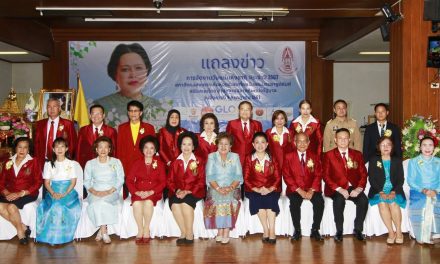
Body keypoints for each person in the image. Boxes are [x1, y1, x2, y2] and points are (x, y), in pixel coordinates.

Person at [94, 43, 162, 127]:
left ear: (147, 71)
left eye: (138, 68)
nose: (133, 75)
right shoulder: (100, 106)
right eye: (125, 69)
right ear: (115, 73)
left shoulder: (159, 106)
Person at [322, 128, 368, 242]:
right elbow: (326, 176)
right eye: (340, 138)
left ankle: (358, 230)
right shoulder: (328, 155)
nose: (343, 141)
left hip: (353, 186)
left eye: (345, 138)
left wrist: (359, 188)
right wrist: (339, 189)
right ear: (335, 140)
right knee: (339, 200)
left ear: (349, 140)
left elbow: (363, 174)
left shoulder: (357, 154)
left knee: (363, 200)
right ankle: (339, 231)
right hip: (336, 187)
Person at [36, 137, 82, 245]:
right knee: (52, 206)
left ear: (66, 149)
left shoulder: (71, 163)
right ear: (53, 149)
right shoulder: (48, 164)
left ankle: (62, 237)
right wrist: (53, 193)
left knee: (59, 206)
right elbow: (47, 183)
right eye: (57, 147)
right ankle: (49, 237)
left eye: (62, 146)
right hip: (53, 191)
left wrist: (65, 193)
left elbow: (73, 182)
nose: (59, 149)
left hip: (68, 192)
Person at [0, 137, 42, 245]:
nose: (22, 150)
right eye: (19, 147)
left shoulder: (34, 162)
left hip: (27, 193)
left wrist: (21, 193)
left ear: (29, 149)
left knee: (11, 207)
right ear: (15, 148)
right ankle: (22, 227)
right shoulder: (8, 162)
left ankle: (20, 233)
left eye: (25, 148)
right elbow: (1, 182)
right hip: (10, 193)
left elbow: (38, 182)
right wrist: (7, 193)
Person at [283, 133, 324, 242]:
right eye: (299, 141)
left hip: (312, 188)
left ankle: (315, 229)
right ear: (294, 143)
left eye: (304, 141)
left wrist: (311, 190)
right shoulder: (288, 156)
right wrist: (299, 190)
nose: (302, 144)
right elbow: (287, 176)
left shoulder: (314, 156)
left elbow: (318, 174)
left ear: (309, 143)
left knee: (319, 201)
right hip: (295, 189)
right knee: (295, 203)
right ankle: (297, 230)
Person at [167, 131, 206, 245]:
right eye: (184, 144)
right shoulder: (175, 161)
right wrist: (177, 190)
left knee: (185, 204)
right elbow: (169, 180)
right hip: (178, 191)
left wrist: (188, 191)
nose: (186, 147)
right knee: (175, 204)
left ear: (193, 146)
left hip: (194, 191)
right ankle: (183, 232)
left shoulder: (199, 161)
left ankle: (189, 233)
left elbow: (201, 180)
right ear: (180, 146)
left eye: (189, 144)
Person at [126, 136, 166, 244]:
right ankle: (140, 229)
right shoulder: (136, 163)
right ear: (142, 149)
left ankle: (146, 229)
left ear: (155, 150)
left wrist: (151, 192)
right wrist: (135, 191)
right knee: (137, 204)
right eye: (146, 148)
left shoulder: (160, 164)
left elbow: (163, 182)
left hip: (153, 192)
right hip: (138, 190)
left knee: (148, 202)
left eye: (152, 148)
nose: (149, 150)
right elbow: (129, 180)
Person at [84, 136, 124, 244]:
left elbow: (120, 179)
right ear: (96, 149)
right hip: (94, 192)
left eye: (106, 147)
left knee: (101, 202)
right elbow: (87, 181)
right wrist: (95, 192)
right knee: (98, 201)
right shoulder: (90, 163)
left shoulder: (116, 162)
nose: (103, 150)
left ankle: (102, 231)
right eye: (100, 147)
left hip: (112, 192)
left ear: (110, 149)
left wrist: (109, 191)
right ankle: (104, 230)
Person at [204, 132, 243, 244]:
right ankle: (220, 230)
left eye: (226, 144)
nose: (223, 146)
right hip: (215, 187)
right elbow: (210, 176)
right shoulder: (212, 157)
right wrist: (218, 188)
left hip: (232, 188)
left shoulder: (235, 157)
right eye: (221, 144)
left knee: (229, 200)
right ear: (217, 145)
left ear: (230, 146)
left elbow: (238, 176)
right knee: (217, 199)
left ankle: (226, 231)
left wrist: (230, 188)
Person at [244, 132, 281, 244]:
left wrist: (270, 189)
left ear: (267, 144)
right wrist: (257, 189)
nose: (260, 145)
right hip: (254, 189)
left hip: (271, 188)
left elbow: (278, 177)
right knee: (257, 199)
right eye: (257, 142)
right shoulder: (249, 159)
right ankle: (265, 230)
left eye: (263, 142)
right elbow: (246, 178)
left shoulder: (272, 158)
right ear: (253, 145)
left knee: (270, 199)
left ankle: (272, 231)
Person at [368, 136, 406, 244]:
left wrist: (394, 191)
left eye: (388, 144)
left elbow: (400, 179)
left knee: (393, 203)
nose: (386, 147)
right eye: (383, 145)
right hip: (378, 190)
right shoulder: (374, 160)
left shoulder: (397, 160)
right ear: (378, 147)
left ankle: (399, 232)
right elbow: (372, 178)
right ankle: (391, 232)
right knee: (382, 203)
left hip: (395, 190)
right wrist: (380, 191)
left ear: (392, 147)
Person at [117, 100, 155, 197]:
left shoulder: (149, 128)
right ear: (128, 112)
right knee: (127, 197)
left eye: (136, 111)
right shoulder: (121, 128)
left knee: (142, 195)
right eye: (131, 111)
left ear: (141, 113)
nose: (133, 113)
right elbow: (119, 149)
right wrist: (120, 167)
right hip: (126, 166)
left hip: (143, 166)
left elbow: (153, 149)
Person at [407, 136, 440, 244]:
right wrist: (424, 191)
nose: (427, 148)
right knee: (424, 203)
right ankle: (424, 235)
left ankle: (436, 232)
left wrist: (436, 190)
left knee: (435, 201)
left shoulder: (438, 161)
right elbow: (411, 181)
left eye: (430, 145)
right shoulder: (413, 162)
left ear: (434, 147)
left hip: (436, 191)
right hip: (418, 191)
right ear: (420, 147)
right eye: (424, 145)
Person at [34, 98, 77, 168]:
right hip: (43, 162)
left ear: (59, 108)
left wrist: (68, 161)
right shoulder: (40, 124)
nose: (52, 109)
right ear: (46, 109)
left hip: (62, 161)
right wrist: (37, 162)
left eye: (55, 106)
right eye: (49, 107)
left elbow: (73, 145)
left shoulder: (68, 124)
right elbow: (36, 144)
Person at [76, 104, 117, 168]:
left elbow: (114, 151)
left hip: (105, 166)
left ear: (103, 115)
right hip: (86, 166)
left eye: (99, 113)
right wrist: (78, 167)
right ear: (90, 116)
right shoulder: (83, 130)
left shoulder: (111, 131)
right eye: (93, 113)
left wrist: (112, 167)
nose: (96, 116)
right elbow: (78, 150)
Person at [226, 101, 263, 168]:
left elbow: (261, 142)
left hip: (253, 159)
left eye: (247, 109)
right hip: (236, 159)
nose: (245, 112)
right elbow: (227, 141)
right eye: (242, 109)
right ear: (239, 111)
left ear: (251, 112)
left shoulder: (257, 124)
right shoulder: (232, 124)